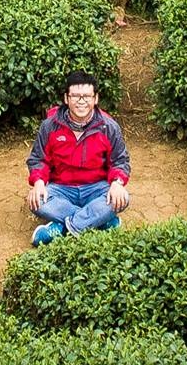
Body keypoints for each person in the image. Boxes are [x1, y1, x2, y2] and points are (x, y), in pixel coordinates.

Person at [26, 71, 131, 247]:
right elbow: (38, 159)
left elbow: (120, 161)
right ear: (66, 98)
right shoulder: (50, 126)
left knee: (123, 198)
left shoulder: (109, 126)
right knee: (36, 202)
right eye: (75, 96)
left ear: (95, 98)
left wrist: (117, 182)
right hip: (61, 189)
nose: (81, 101)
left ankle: (64, 228)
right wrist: (38, 182)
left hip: (96, 188)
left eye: (86, 96)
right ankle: (99, 222)